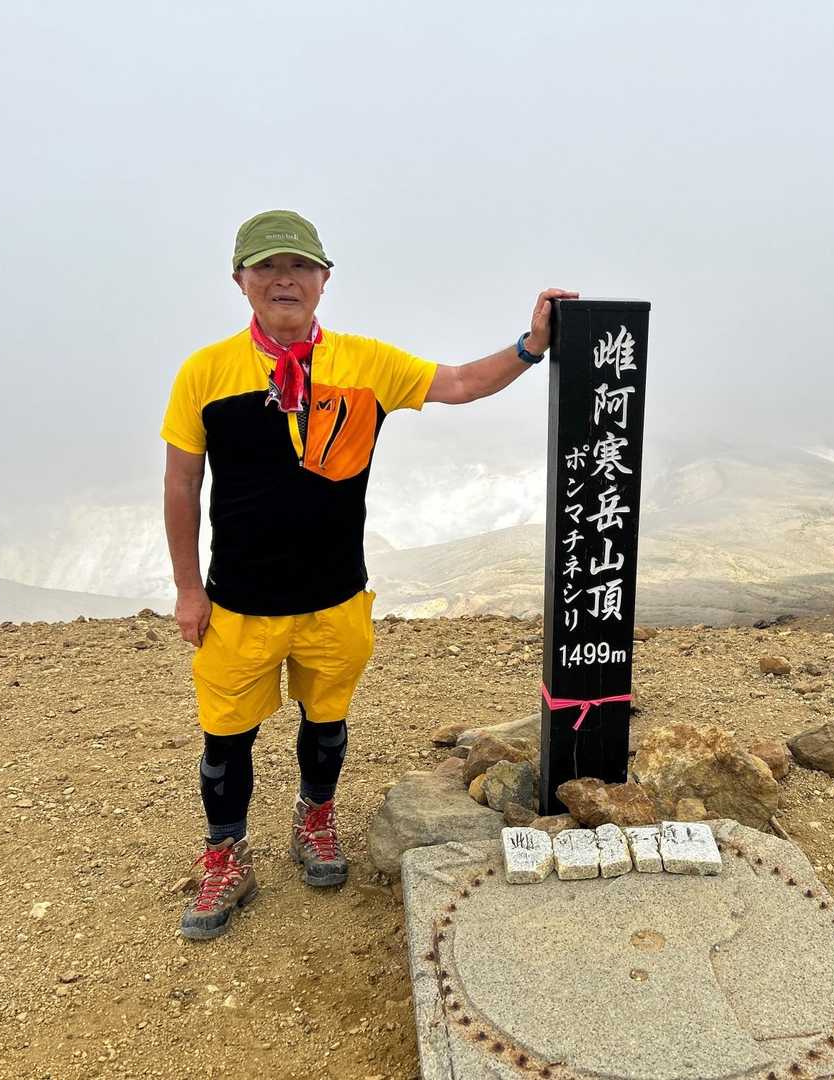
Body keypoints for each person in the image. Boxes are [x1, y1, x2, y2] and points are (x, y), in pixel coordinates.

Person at [161, 208, 574, 940]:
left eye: (299, 266)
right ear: (240, 281)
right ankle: (226, 853)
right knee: (226, 738)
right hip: (239, 603)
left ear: (324, 279)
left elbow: (461, 383)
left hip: (335, 597)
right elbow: (181, 482)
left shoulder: (366, 362)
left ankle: (315, 819)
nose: (283, 279)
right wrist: (189, 590)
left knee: (327, 722)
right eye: (266, 266)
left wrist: (530, 345)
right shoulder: (204, 372)